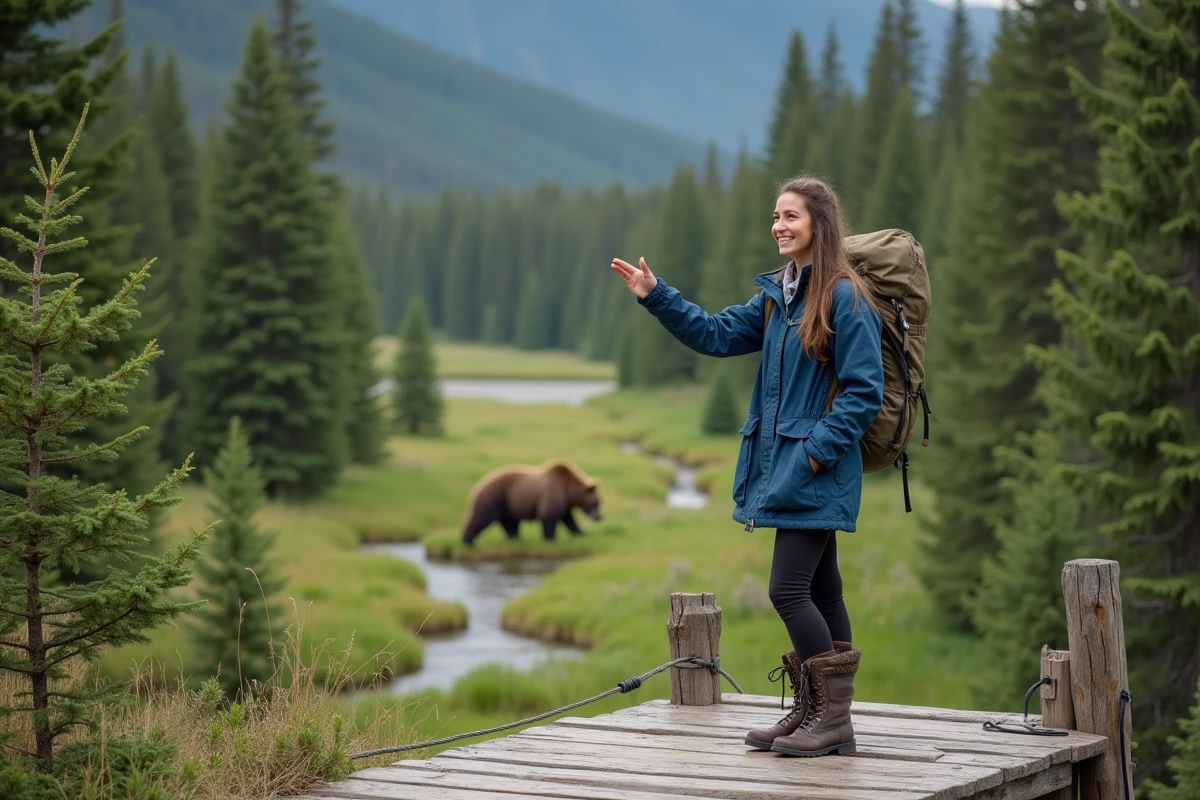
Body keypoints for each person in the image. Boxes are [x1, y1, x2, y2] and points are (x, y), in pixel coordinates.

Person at [611, 175, 883, 758]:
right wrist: (656, 294)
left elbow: (864, 394)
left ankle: (828, 719)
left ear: (820, 225)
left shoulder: (845, 297)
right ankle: (821, 715)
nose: (778, 226)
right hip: (795, 467)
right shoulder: (778, 297)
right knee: (823, 588)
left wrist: (811, 454)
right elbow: (713, 335)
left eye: (791, 216)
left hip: (816, 468)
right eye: (776, 216)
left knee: (787, 589)